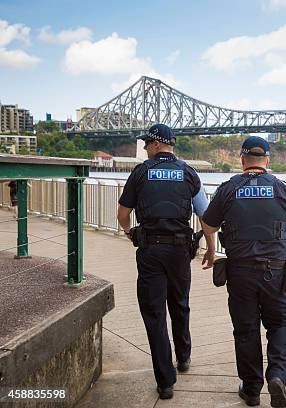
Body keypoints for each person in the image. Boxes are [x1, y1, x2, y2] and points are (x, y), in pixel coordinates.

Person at [201, 136, 286, 408]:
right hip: (278, 272)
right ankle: (278, 376)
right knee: (280, 325)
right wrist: (285, 242)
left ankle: (251, 390)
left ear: (242, 160)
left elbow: (209, 226)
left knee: (246, 331)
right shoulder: (284, 189)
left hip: (241, 273)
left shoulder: (227, 189)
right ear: (267, 161)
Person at [116, 124, 215, 400]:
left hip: (150, 251)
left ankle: (165, 380)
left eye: (147, 143)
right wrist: (210, 247)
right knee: (180, 303)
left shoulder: (141, 172)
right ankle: (183, 356)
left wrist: (130, 233)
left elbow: (123, 214)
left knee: (154, 313)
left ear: (158, 144)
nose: (145, 148)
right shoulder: (188, 173)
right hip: (181, 252)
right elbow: (205, 215)